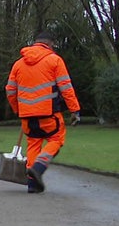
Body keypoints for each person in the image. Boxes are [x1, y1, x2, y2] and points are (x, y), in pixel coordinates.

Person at [5, 31, 81, 193]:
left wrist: (18, 109)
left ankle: (33, 184)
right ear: (50, 44)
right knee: (56, 139)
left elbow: (10, 90)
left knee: (33, 144)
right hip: (49, 114)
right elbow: (66, 87)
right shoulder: (54, 60)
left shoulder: (18, 64)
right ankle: (39, 168)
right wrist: (75, 110)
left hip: (27, 116)